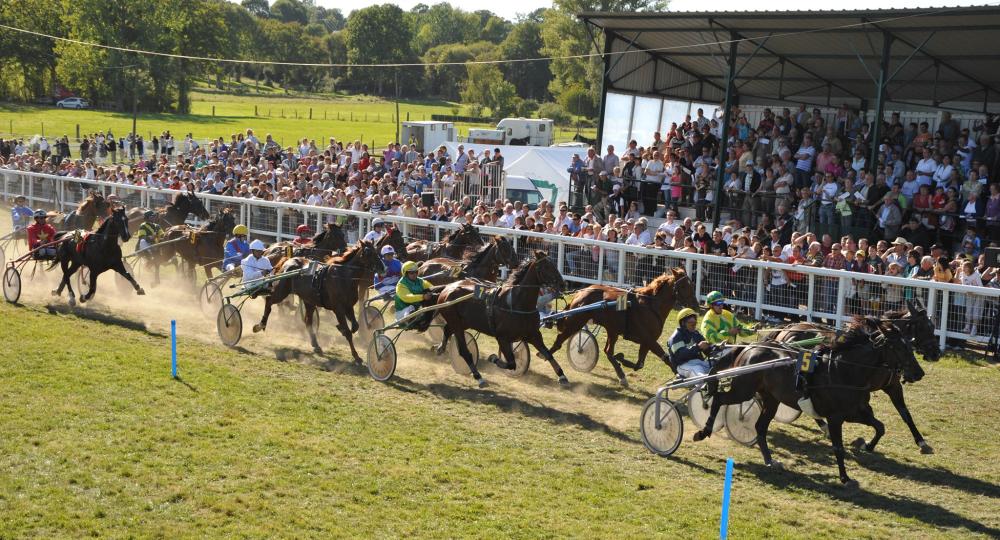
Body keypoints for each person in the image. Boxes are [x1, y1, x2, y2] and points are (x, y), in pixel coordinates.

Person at [669, 308, 712, 378]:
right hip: (684, 365)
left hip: (700, 363)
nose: (694, 325)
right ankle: (705, 384)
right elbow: (680, 355)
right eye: (691, 323)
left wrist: (714, 348)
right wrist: (698, 347)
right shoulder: (676, 337)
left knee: (718, 365)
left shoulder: (695, 333)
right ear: (683, 323)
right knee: (700, 375)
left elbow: (708, 352)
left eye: (695, 323)